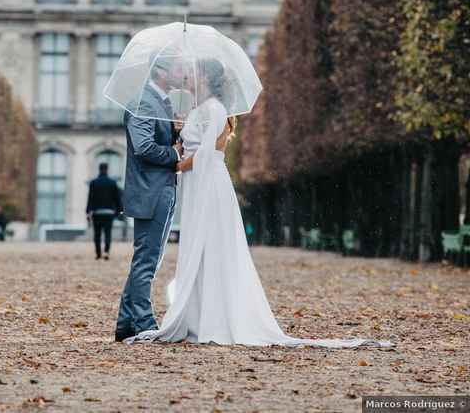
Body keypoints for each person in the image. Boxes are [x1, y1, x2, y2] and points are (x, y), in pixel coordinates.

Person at [124, 59, 393, 348]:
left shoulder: (213, 109)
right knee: (199, 250)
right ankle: (197, 315)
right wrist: (180, 135)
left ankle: (212, 318)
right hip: (198, 184)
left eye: (192, 73)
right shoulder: (200, 110)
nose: (187, 76)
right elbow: (193, 144)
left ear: (204, 78)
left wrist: (176, 164)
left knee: (210, 248)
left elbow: (204, 155)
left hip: (206, 184)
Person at [114, 52, 185, 342]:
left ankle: (125, 322)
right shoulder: (145, 102)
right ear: (162, 73)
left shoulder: (159, 103)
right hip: (151, 191)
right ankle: (143, 322)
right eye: (178, 69)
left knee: (148, 259)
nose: (183, 74)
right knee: (147, 260)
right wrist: (174, 153)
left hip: (158, 189)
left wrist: (173, 131)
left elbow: (152, 138)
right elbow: (143, 147)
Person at [86, 163, 123, 260]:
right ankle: (106, 252)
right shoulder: (112, 183)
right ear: (107, 169)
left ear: (99, 169)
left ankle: (98, 253)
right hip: (109, 213)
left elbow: (90, 198)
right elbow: (117, 198)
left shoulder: (94, 182)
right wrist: (120, 210)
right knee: (108, 233)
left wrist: (88, 211)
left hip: (97, 213)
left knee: (97, 234)